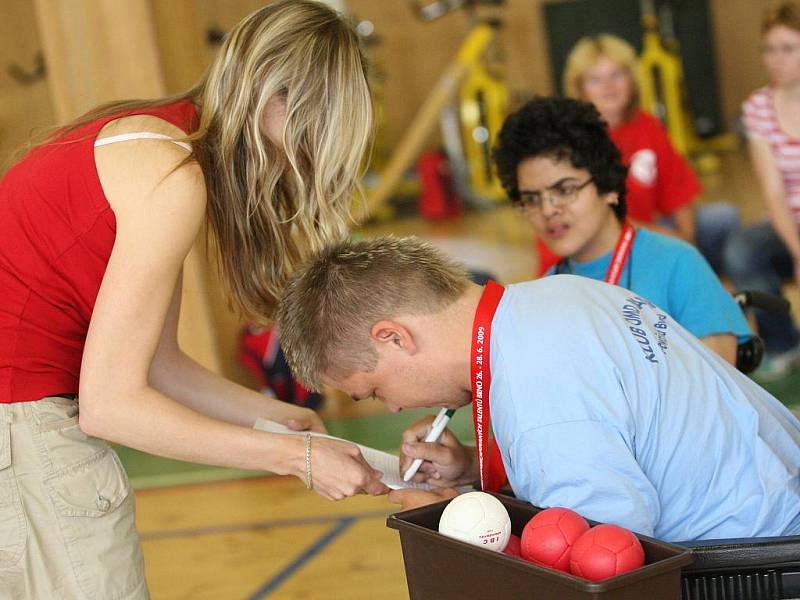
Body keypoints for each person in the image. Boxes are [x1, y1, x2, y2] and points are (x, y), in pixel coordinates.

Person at [0, 2, 389, 598]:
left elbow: (157, 365)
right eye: (313, 135)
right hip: (19, 423)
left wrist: (281, 425)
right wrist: (291, 459)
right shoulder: (172, 177)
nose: (304, 161)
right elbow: (112, 406)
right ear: (272, 99)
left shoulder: (162, 140)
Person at [276, 235, 800, 542]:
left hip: (753, 562)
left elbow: (602, 559)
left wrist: (442, 524)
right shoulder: (554, 297)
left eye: (372, 391)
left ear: (393, 337)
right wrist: (472, 473)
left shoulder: (536, 387)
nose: (392, 406)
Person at [493, 96, 750, 366]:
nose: (547, 210)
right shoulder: (546, 292)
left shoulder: (677, 264)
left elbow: (720, 391)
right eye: (532, 199)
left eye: (564, 190)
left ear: (609, 187)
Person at [530, 34, 739, 276]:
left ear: (632, 79)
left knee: (725, 217)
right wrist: (671, 239)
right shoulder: (568, 142)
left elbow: (679, 195)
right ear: (580, 88)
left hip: (641, 234)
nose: (609, 87)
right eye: (595, 79)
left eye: (617, 75)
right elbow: (601, 220)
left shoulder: (647, 126)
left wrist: (687, 243)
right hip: (585, 250)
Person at [724, 1, 800, 380]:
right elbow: (774, 193)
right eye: (769, 49)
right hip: (788, 224)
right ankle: (785, 346)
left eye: (787, 48)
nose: (776, 59)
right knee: (742, 248)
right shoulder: (757, 108)